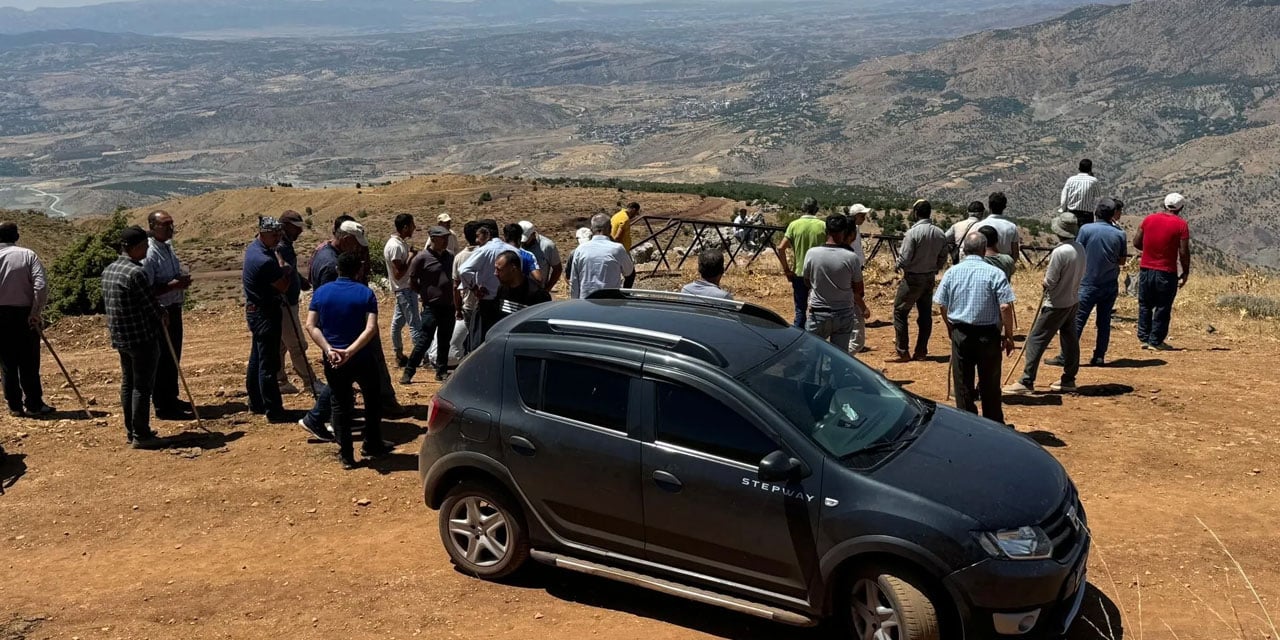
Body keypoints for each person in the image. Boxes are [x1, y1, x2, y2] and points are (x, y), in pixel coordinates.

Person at [305, 252, 392, 470]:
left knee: (340, 404)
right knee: (372, 400)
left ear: (338, 269)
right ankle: (372, 443)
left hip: (333, 359)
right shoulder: (365, 293)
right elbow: (371, 328)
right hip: (361, 357)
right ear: (358, 269)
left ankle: (346, 455)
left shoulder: (321, 293)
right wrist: (350, 352)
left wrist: (329, 349)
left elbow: (310, 325)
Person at [934, 232, 1016, 424]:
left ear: (964, 250)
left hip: (961, 332)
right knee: (990, 383)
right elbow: (1005, 306)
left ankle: (967, 424)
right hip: (988, 334)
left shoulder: (952, 272)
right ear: (983, 250)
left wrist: (949, 326)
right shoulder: (995, 273)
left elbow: (942, 304)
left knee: (962, 383)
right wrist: (1009, 336)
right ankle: (993, 423)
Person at [1003, 213, 1086, 395]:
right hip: (1072, 300)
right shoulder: (1079, 248)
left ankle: (1026, 380)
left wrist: (1044, 283)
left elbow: (1050, 281)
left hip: (1055, 303)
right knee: (1070, 339)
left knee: (1035, 340)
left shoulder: (1060, 251)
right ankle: (1069, 379)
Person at [102, 226, 167, 448]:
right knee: (141, 386)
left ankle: (132, 430)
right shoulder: (135, 273)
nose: (147, 250)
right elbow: (150, 306)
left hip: (121, 336)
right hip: (141, 337)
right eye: (145, 246)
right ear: (137, 247)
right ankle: (141, 434)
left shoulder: (109, 269)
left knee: (128, 383)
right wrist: (162, 314)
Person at [1050, 198, 1127, 367]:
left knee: (1077, 320)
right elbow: (1121, 261)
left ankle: (1066, 356)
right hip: (1110, 283)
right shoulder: (1120, 233)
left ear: (1096, 213)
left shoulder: (1086, 229)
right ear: (1112, 215)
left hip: (1087, 282)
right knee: (1104, 321)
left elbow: (1077, 250)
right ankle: (1099, 356)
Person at [140, 210, 194, 419]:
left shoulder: (168, 247)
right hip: (160, 312)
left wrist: (179, 282)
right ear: (153, 227)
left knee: (174, 357)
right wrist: (174, 285)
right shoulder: (150, 253)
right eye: (165, 225)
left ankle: (171, 397)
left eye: (171, 224)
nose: (171, 228)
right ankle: (163, 405)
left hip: (174, 307)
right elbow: (147, 289)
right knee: (163, 358)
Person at [242, 216, 295, 423]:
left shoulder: (255, 249)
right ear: (263, 233)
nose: (278, 239)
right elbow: (283, 286)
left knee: (257, 357)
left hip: (256, 311)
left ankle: (256, 402)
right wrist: (286, 270)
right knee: (269, 364)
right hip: (265, 313)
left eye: (279, 234)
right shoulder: (264, 260)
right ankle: (273, 409)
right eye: (274, 235)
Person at [0, 222, 53, 417]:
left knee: (7, 363)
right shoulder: (28, 255)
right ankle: (34, 404)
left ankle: (14, 406)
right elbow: (40, 286)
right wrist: (35, 313)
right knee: (29, 361)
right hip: (24, 314)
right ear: (17, 236)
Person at [890, 200, 949, 362]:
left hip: (912, 278)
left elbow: (905, 257)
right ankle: (921, 351)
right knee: (925, 315)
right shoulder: (939, 233)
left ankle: (903, 351)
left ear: (916, 213)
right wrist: (936, 267)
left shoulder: (912, 233)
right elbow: (944, 255)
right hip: (929, 277)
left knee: (900, 311)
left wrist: (898, 266)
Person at [1134, 193, 1191, 350]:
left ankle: (1144, 337)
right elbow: (1184, 251)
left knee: (1145, 304)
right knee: (1163, 306)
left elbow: (1136, 242)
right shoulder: (1181, 225)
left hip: (1146, 268)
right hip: (1166, 271)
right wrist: (1185, 272)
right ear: (1181, 208)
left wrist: (1150, 250)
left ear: (1164, 204)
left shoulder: (1149, 219)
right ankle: (1156, 340)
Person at [802, 214, 865, 352]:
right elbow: (858, 288)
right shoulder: (852, 258)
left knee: (812, 354)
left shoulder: (812, 253)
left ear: (826, 231)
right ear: (844, 232)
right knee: (839, 357)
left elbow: (807, 281)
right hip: (843, 313)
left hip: (818, 313)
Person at [403, 226, 456, 384]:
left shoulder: (450, 257)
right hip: (431, 307)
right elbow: (412, 281)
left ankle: (441, 371)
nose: (446, 241)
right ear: (433, 239)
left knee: (445, 340)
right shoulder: (421, 258)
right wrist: (424, 294)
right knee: (424, 340)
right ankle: (409, 371)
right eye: (443, 239)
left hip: (448, 305)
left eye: (447, 238)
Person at [275, 210, 318, 395]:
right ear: (284, 227)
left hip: (287, 301)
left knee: (281, 345)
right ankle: (310, 382)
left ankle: (280, 381)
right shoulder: (280, 247)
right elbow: (280, 270)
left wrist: (300, 280)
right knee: (298, 344)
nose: (299, 232)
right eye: (296, 228)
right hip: (284, 303)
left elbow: (289, 269)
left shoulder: (285, 244)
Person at [457, 219, 518, 345]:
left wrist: (474, 289)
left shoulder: (484, 250)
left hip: (488, 302)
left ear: (486, 234)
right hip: (509, 302)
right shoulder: (514, 251)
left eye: (478, 236)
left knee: (482, 340)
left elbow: (463, 270)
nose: (476, 241)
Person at [775, 197, 827, 329]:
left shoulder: (794, 225)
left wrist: (786, 270)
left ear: (802, 208)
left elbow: (781, 248)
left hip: (799, 272)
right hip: (818, 274)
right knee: (817, 309)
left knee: (800, 309)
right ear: (816, 209)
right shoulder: (823, 226)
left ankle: (798, 337)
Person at [384, 213, 421, 367]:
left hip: (403, 290)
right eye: (412, 225)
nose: (414, 228)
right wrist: (412, 256)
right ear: (405, 227)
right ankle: (421, 357)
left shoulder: (399, 244)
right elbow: (398, 274)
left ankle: (399, 354)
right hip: (405, 289)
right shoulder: (395, 246)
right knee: (415, 324)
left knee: (398, 323)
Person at [570, 214, 635, 300]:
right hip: (611, 302)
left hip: (586, 302)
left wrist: (575, 303)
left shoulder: (580, 250)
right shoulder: (617, 249)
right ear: (610, 229)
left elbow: (574, 280)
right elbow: (630, 273)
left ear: (591, 230)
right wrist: (625, 296)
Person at [453, 221, 482, 354]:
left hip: (468, 305)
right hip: (484, 303)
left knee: (470, 337)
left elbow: (456, 287)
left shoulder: (459, 257)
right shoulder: (485, 253)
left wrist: (458, 309)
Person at [496, 250, 552, 319]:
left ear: (513, 269)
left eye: (499, 270)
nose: (495, 273)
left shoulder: (537, 294)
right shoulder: (502, 289)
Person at [519, 220, 563, 293]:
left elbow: (557, 269)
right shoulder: (516, 243)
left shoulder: (547, 246)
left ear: (533, 234)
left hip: (537, 292)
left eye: (525, 240)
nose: (522, 243)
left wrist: (547, 289)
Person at [975, 192, 1021, 259]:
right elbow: (1015, 253)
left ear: (989, 206)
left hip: (984, 263)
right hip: (1004, 265)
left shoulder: (979, 225)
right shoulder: (1012, 227)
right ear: (1004, 207)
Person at [1060, 159, 1101, 225]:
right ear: (1090, 169)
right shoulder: (1094, 181)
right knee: (1086, 234)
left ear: (1079, 168)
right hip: (1087, 215)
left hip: (1071, 214)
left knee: (1071, 234)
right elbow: (1098, 197)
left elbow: (1064, 197)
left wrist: (1063, 210)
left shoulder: (1070, 180)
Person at [611, 202, 640, 288]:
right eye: (636, 213)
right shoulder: (625, 219)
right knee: (631, 274)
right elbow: (617, 237)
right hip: (621, 251)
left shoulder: (617, 215)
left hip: (613, 248)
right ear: (633, 210)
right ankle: (626, 294)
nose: (635, 216)